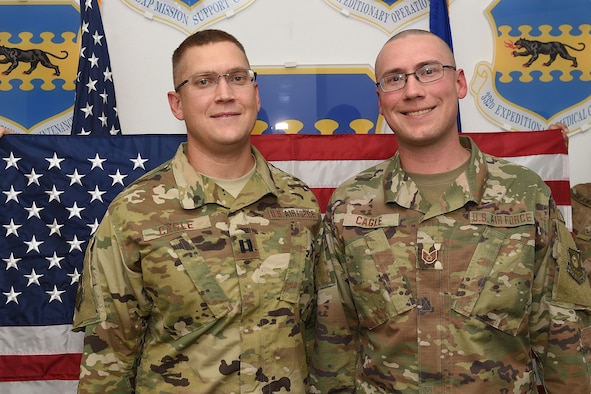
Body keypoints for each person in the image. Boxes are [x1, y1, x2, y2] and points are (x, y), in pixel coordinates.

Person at [310, 29, 591, 393]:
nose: (413, 90)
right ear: (380, 100)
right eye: (395, 79)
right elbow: (335, 340)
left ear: (459, 83)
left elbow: (563, 336)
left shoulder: (525, 195)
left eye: (429, 71)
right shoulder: (350, 205)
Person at [72, 29, 322, 393]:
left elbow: (324, 338)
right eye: (204, 81)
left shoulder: (300, 204)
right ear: (177, 104)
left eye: (237, 78)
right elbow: (108, 362)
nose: (224, 94)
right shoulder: (133, 214)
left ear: (255, 93)